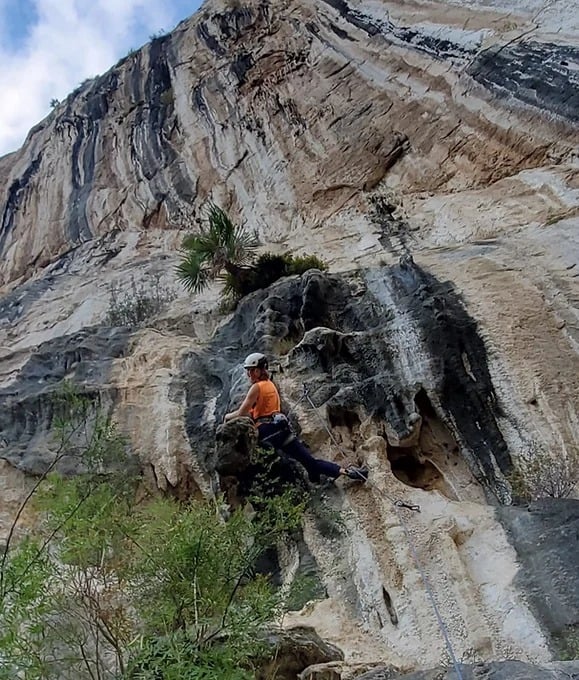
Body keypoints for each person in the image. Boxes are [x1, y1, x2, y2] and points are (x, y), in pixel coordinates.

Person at [224, 352, 368, 483]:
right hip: (282, 429)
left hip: (267, 432)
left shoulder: (256, 387)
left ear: (256, 370)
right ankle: (345, 472)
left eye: (249, 371)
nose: (248, 375)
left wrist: (227, 417)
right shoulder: (270, 385)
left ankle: (316, 481)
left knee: (255, 465)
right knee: (309, 462)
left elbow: (242, 412)